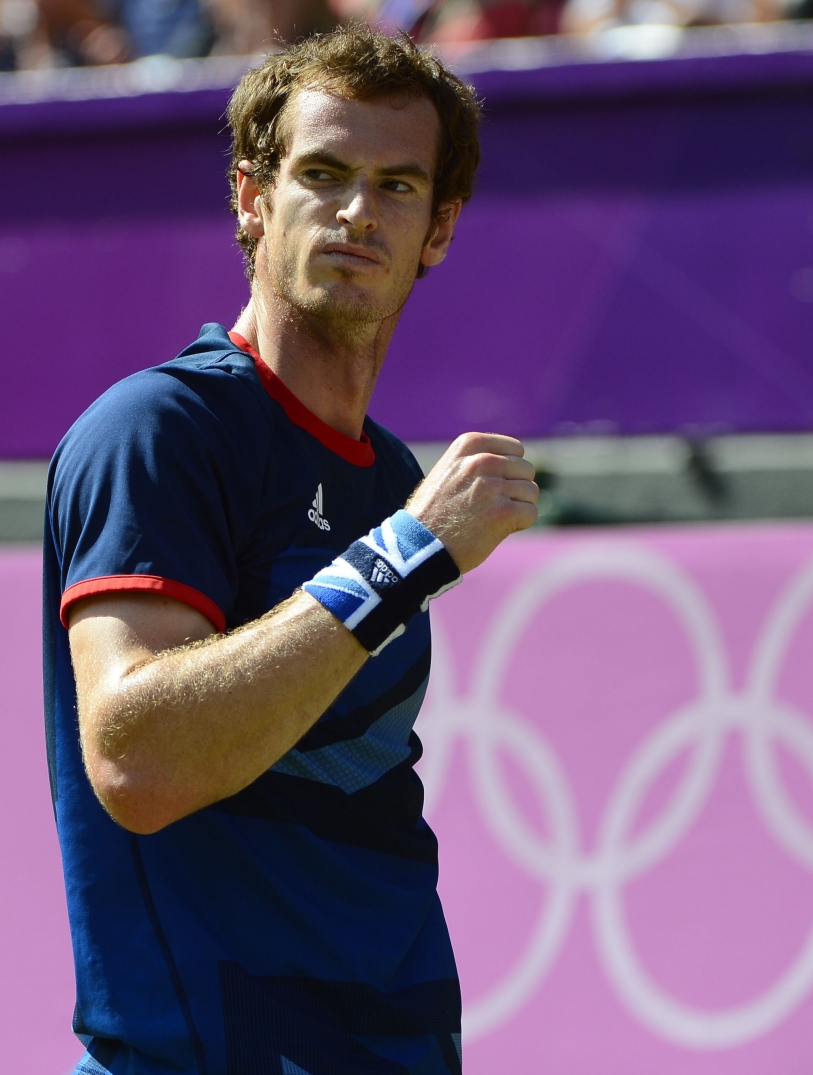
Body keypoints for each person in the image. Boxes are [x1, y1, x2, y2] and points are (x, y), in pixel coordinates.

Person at [43, 25, 539, 1075]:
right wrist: (402, 555)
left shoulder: (392, 477)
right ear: (252, 198)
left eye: (397, 186)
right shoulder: (159, 431)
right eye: (323, 173)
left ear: (439, 229)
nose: (358, 211)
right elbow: (137, 758)